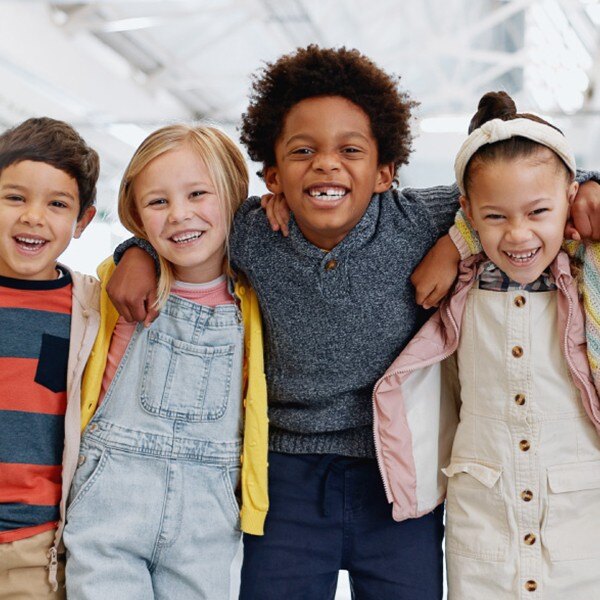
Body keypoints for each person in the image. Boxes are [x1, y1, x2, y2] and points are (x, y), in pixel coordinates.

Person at [106, 47, 600, 599]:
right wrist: (138, 253)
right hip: (284, 478)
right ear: (271, 175)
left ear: (386, 171)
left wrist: (584, 187)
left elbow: (518, 179)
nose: (326, 164)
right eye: (302, 151)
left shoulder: (417, 219)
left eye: (350, 150)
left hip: (398, 475)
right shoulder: (251, 233)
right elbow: (191, 229)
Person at [374, 91, 600, 599]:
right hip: (482, 522)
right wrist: (453, 245)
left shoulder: (589, 278)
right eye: (495, 216)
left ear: (571, 196)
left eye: (538, 210)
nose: (518, 234)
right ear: (468, 213)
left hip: (583, 518)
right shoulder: (459, 289)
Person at [62, 124, 268, 600]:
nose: (179, 215)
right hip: (110, 501)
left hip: (209, 514)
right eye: (158, 203)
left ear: (236, 194)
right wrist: (135, 251)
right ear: (136, 215)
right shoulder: (118, 281)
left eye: (198, 193)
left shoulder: (258, 295)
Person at [0, 117, 99, 598]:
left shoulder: (94, 309)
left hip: (35, 550)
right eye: (15, 197)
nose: (33, 217)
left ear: (82, 221)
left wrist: (136, 250)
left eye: (57, 204)